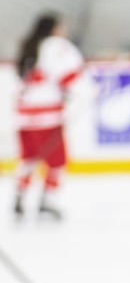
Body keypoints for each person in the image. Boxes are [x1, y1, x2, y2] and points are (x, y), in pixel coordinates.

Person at [13, 13, 84, 220]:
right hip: (46, 115)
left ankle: (18, 197)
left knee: (28, 159)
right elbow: (64, 75)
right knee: (56, 161)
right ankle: (47, 200)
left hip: (25, 115)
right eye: (61, 26)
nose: (64, 30)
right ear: (53, 28)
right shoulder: (53, 46)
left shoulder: (30, 45)